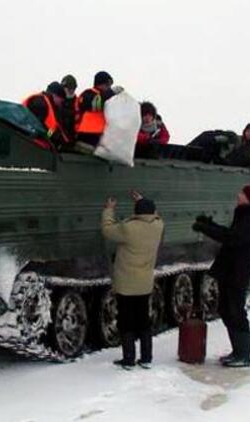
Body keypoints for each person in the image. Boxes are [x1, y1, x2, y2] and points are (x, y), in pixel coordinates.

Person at [192, 184, 250, 368]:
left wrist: (206, 228)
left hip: (238, 272)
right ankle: (237, 352)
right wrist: (210, 224)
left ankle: (243, 355)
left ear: (249, 198)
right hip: (231, 270)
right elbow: (232, 234)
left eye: (242, 193)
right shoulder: (245, 215)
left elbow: (232, 237)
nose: (238, 195)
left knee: (236, 311)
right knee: (226, 309)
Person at [102, 191, 164, 370]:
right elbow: (155, 215)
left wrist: (108, 210)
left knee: (126, 321)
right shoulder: (158, 225)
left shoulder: (129, 228)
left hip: (127, 284)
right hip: (145, 284)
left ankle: (129, 359)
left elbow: (107, 230)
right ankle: (146, 358)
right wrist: (143, 201)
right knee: (143, 321)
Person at [75, 71, 123, 147]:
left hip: (101, 136)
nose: (109, 87)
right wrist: (111, 92)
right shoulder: (88, 94)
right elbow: (96, 104)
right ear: (101, 83)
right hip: (87, 134)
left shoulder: (107, 97)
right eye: (108, 85)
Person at [22, 82, 70, 150]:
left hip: (40, 144)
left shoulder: (50, 106)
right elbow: (36, 126)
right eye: (61, 101)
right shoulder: (40, 102)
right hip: (32, 143)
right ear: (55, 95)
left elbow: (50, 130)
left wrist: (51, 137)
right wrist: (49, 136)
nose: (60, 104)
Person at [60, 74, 78, 140]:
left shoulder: (78, 102)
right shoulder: (56, 100)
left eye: (73, 88)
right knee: (48, 135)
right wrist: (48, 136)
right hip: (53, 132)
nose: (71, 90)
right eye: (69, 88)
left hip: (71, 138)